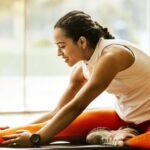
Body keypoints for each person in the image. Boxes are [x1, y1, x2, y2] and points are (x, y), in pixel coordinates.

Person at [0, 10, 150, 148]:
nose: (59, 53)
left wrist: (36, 138)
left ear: (82, 42)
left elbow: (78, 105)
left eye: (62, 46)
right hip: (124, 118)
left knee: (137, 143)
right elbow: (57, 112)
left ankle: (116, 137)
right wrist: (22, 129)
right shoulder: (82, 68)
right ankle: (118, 133)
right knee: (23, 134)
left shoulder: (111, 56)